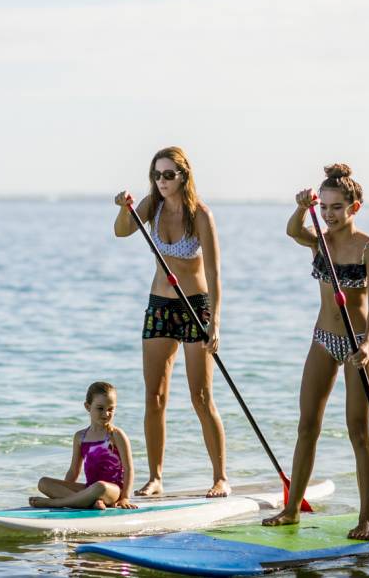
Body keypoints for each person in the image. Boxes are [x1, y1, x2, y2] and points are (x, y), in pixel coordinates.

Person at [262, 163, 369, 540]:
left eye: (336, 207)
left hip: (356, 344)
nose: (329, 215)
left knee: (358, 431)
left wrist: (367, 343)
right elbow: (291, 231)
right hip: (322, 339)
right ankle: (290, 510)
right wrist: (303, 207)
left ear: (355, 207)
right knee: (306, 427)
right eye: (325, 207)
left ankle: (366, 518)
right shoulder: (320, 239)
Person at [113, 146, 230, 498]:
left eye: (168, 175)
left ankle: (220, 477)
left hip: (196, 307)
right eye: (156, 175)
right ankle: (156, 477)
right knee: (155, 396)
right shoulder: (151, 205)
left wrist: (216, 323)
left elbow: (214, 272)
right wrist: (124, 209)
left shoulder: (201, 216)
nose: (161, 181)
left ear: (183, 176)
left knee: (201, 396)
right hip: (160, 306)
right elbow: (121, 232)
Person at [29, 382, 137, 510]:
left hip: (111, 491)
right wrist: (62, 488)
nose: (106, 413)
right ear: (87, 406)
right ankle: (89, 502)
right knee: (44, 483)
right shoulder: (80, 437)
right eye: (100, 408)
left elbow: (129, 469)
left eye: (110, 409)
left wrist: (125, 497)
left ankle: (57, 503)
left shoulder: (116, 435)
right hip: (89, 489)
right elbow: (74, 471)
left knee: (100, 486)